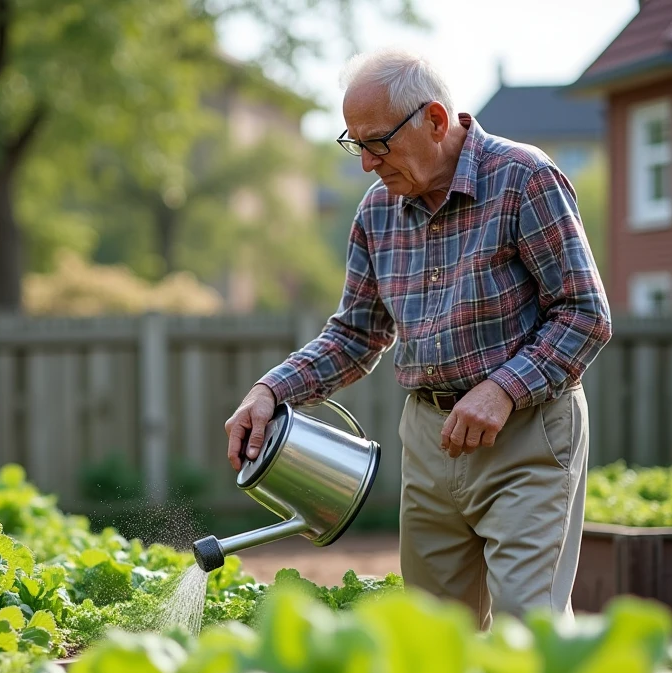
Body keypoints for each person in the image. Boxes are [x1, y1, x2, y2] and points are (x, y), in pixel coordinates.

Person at [223, 49, 612, 629]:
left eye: (376, 143)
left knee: (528, 629)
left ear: (434, 119)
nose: (365, 164)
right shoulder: (376, 212)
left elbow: (585, 313)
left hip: (528, 435)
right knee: (435, 635)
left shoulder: (525, 179)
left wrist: (502, 390)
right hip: (430, 442)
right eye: (354, 145)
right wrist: (268, 391)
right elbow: (356, 334)